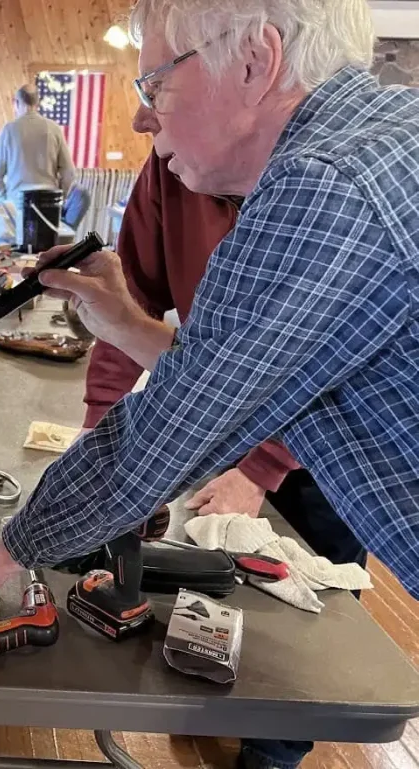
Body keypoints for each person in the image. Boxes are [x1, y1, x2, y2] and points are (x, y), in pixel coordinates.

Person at [0, 0, 419, 759]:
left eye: (157, 85)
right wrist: (129, 326)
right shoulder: (377, 142)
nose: (145, 121)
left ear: (255, 61)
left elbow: (175, 425)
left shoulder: (324, 182)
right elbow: (239, 373)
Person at [77, 148, 367, 768]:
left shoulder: (337, 179)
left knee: (305, 626)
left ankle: (271, 752)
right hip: (235, 415)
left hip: (338, 442)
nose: (143, 120)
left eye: (158, 89)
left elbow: (334, 349)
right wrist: (102, 439)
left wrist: (259, 466)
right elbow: (130, 311)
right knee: (217, 582)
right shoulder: (173, 154)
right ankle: (210, 688)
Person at [0, 85, 77, 205]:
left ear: (16, 103)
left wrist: (6, 201)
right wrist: (58, 198)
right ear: (37, 104)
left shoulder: (8, 131)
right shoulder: (54, 129)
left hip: (17, 205)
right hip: (48, 205)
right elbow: (69, 173)